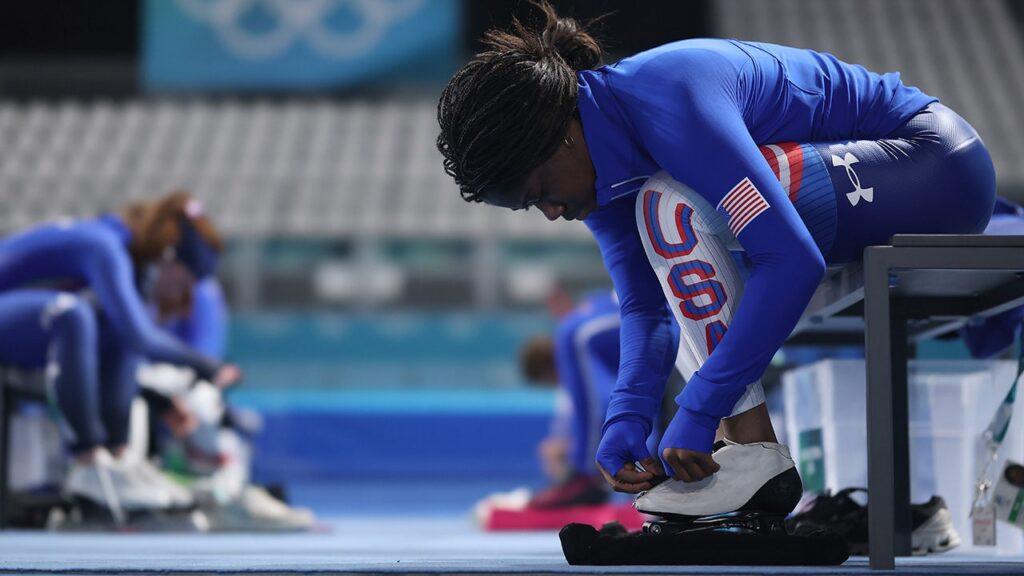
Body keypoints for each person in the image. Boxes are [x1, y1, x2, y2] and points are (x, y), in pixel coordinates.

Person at [436, 2, 995, 497]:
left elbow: (791, 260)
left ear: (560, 136)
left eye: (539, 193)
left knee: (667, 206)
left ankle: (752, 459)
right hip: (858, 199)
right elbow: (647, 307)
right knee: (673, 244)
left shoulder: (668, 95)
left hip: (936, 163)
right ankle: (746, 461)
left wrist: (702, 406)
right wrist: (627, 414)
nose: (553, 212)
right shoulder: (599, 177)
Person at [0, 191, 242, 514]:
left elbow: (120, 345)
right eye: (185, 281)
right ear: (168, 256)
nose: (182, 294)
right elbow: (141, 337)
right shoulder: (104, 246)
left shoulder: (126, 259)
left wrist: (158, 400)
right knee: (74, 315)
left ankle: (117, 460)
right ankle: (87, 463)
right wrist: (209, 367)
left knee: (109, 324)